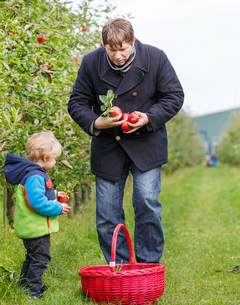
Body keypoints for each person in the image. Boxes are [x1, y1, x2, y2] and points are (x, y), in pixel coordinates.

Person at [68, 18, 184, 264]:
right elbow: (76, 102)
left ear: (132, 41)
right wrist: (96, 122)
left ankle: (147, 264)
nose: (118, 55)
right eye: (112, 50)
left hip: (146, 142)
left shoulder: (155, 58)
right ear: (104, 46)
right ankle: (118, 267)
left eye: (123, 49)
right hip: (109, 146)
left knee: (146, 202)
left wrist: (148, 118)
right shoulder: (91, 63)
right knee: (107, 213)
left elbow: (174, 96)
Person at [4, 131, 71, 299]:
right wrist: (57, 207)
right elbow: (37, 202)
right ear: (46, 157)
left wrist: (55, 194)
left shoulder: (33, 174)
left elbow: (38, 194)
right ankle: (33, 290)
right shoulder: (35, 176)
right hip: (36, 228)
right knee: (40, 258)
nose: (56, 162)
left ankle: (25, 284)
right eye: (55, 158)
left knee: (32, 256)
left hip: (32, 226)